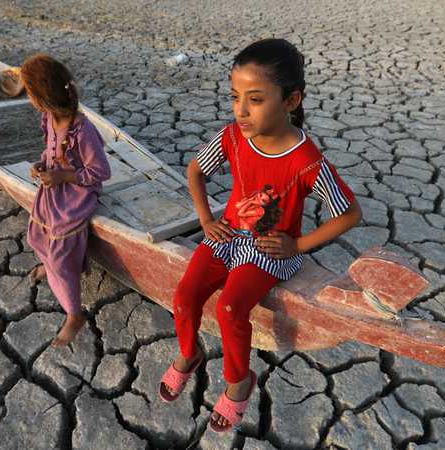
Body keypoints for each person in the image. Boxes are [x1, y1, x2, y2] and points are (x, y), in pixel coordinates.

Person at [159, 39, 362, 433]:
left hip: (268, 249)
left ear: (290, 100)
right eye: (236, 97)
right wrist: (205, 220)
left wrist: (297, 245)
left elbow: (350, 213)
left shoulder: (305, 161)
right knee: (185, 294)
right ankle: (189, 353)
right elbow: (196, 171)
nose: (241, 110)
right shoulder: (234, 137)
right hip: (227, 233)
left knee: (231, 308)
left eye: (255, 99)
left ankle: (238, 383)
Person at [20, 54, 111, 347]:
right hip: (55, 187)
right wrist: (41, 165)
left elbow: (99, 172)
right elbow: (50, 153)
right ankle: (47, 265)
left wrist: (62, 178)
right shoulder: (49, 118)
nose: (30, 99)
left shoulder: (81, 130)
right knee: (37, 234)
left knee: (60, 248)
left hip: (78, 191)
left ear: (42, 97)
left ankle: (74, 314)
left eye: (30, 93)